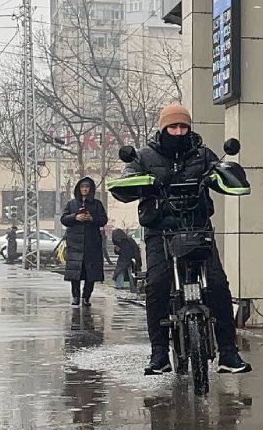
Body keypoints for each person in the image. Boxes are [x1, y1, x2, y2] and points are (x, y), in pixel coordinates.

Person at [118, 103, 251, 375]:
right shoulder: (143, 156)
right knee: (156, 284)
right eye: (173, 127)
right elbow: (125, 182)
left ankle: (228, 352)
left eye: (183, 127)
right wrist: (144, 183)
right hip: (160, 232)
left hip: (198, 228)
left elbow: (220, 171)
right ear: (163, 128)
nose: (178, 132)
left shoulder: (202, 153)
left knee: (218, 284)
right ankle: (159, 354)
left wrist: (222, 174)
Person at [61, 177, 108, 307]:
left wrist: (92, 218)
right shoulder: (72, 204)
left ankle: (86, 297)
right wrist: (75, 217)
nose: (85, 189)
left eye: (87, 187)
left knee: (90, 273)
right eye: (82, 187)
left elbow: (103, 220)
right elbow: (64, 219)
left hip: (92, 244)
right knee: (75, 273)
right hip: (75, 244)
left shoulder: (97, 204)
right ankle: (75, 296)